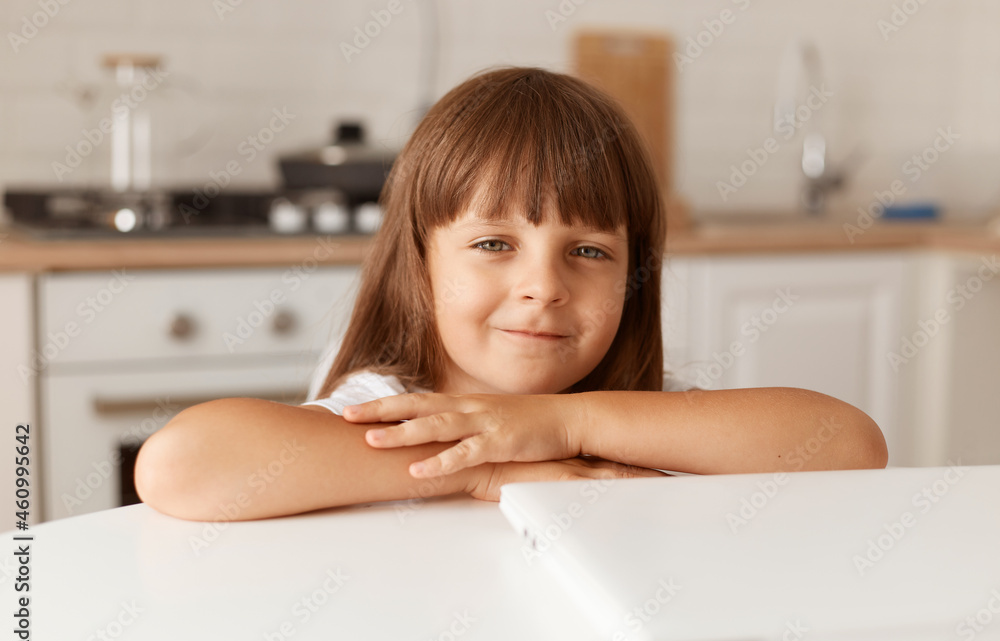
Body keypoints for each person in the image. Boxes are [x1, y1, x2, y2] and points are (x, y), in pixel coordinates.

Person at [135, 66, 887, 522]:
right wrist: (482, 463)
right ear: (420, 260)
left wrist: (563, 424)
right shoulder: (393, 406)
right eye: (495, 244)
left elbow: (852, 446)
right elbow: (178, 465)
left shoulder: (629, 419)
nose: (543, 288)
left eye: (589, 251)